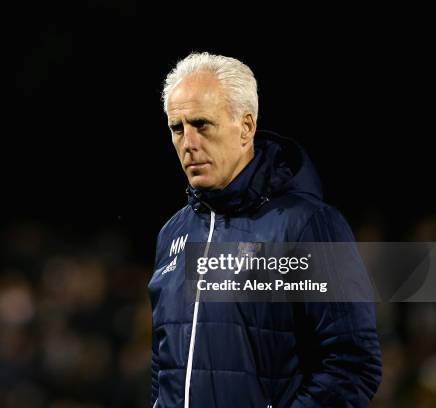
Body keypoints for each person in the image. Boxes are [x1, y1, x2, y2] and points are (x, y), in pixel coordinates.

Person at [148, 52, 382, 407]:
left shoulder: (307, 225)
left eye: (202, 124)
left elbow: (351, 366)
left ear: (246, 128)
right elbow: (164, 369)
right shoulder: (172, 234)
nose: (189, 143)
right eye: (177, 129)